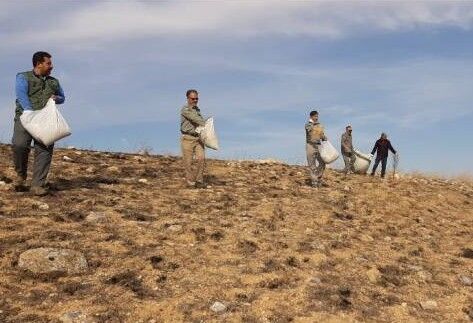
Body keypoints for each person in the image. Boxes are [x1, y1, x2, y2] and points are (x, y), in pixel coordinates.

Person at [12, 51, 66, 196]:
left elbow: (63, 97)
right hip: (25, 117)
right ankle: (20, 176)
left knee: (44, 149)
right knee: (19, 145)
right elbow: (21, 94)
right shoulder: (23, 77)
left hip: (46, 120)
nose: (51, 66)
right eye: (48, 63)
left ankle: (37, 185)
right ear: (38, 64)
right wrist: (30, 112)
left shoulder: (53, 82)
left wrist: (57, 98)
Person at [180, 89, 207, 188]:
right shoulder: (185, 109)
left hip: (198, 138)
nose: (195, 100)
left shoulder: (197, 110)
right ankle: (191, 182)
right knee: (188, 162)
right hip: (187, 138)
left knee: (201, 158)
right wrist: (206, 123)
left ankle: (199, 181)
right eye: (193, 98)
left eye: (197, 98)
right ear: (187, 98)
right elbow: (195, 119)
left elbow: (199, 122)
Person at [305, 110, 328, 188]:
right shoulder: (308, 124)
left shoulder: (319, 125)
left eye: (317, 116)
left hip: (318, 146)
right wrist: (315, 124)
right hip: (310, 146)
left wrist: (324, 137)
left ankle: (317, 177)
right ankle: (314, 182)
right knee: (312, 164)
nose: (317, 117)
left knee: (323, 162)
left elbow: (321, 135)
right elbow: (309, 130)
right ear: (311, 117)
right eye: (315, 116)